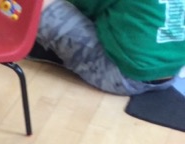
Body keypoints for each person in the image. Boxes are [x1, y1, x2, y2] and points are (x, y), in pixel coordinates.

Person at [30, 0, 185, 95]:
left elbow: (82, 5)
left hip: (122, 77)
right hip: (169, 73)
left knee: (36, 4)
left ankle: (40, 46)